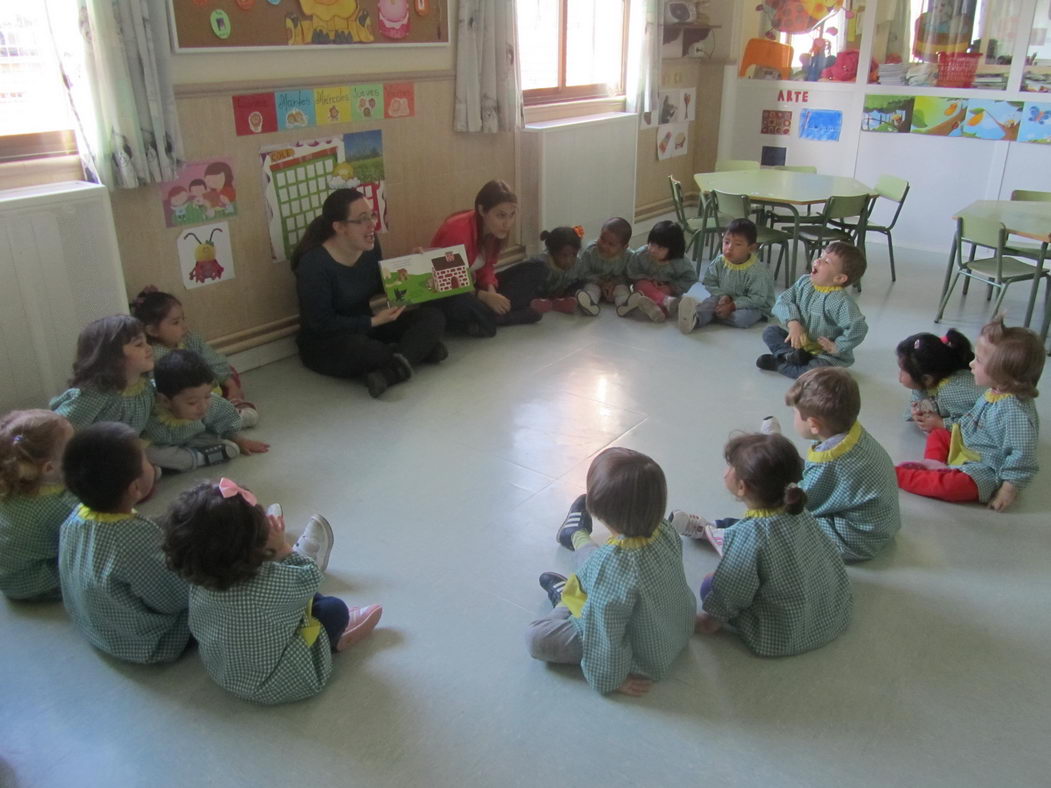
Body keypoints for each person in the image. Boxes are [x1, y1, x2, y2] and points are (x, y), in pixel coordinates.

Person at [162, 479, 382, 704]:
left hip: (224, 671)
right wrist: (282, 549)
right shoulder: (269, 582)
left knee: (291, 596)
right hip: (281, 678)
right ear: (252, 549)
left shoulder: (200, 575)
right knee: (334, 609)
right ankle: (335, 641)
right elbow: (311, 578)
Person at [526, 448, 696, 696]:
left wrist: (612, 678)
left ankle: (566, 595)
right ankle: (574, 534)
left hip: (640, 651)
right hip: (674, 630)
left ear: (600, 512)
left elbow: (605, 634)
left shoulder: (609, 567)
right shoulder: (666, 531)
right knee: (595, 564)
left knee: (536, 637)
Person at [692, 433, 853, 656]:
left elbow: (734, 590)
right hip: (831, 612)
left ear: (742, 487)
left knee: (709, 585)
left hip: (785, 632)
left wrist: (711, 619)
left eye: (730, 467)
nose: (726, 471)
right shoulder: (799, 510)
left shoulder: (748, 536)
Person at [292, 188, 447, 399]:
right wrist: (373, 322)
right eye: (362, 219)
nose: (371, 225)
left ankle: (392, 370)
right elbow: (320, 324)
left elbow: (378, 284)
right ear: (339, 227)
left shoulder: (370, 246)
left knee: (433, 317)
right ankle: (412, 354)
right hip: (327, 342)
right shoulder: (314, 265)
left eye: (372, 216)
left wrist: (411, 268)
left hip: (368, 325)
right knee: (367, 350)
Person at [59, 422, 191, 663]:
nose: (152, 465)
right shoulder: (131, 540)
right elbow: (174, 599)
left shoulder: (75, 515)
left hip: (94, 625)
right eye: (147, 461)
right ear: (135, 488)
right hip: (147, 641)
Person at [896, 317, 1043, 512]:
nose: (971, 364)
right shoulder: (994, 391)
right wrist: (945, 424)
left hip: (986, 468)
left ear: (1003, 373)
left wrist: (1008, 490)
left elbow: (1023, 458)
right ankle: (936, 465)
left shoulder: (1015, 413)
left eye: (979, 361)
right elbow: (969, 421)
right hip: (970, 442)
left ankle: (895, 475)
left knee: (950, 486)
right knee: (939, 435)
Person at [784, 368, 901, 561]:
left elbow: (801, 503)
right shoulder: (850, 431)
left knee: (787, 524)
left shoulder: (831, 461)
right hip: (881, 524)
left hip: (856, 540)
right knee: (792, 463)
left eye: (794, 413)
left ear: (813, 424)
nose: (793, 417)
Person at [430, 179, 547, 334]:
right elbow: (446, 281)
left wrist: (491, 291)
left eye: (511, 215)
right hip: (450, 293)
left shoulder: (493, 231)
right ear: (482, 210)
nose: (507, 223)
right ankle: (500, 317)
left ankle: (493, 315)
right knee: (482, 320)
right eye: (501, 216)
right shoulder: (457, 231)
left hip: (475, 287)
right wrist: (484, 296)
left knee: (538, 268)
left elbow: (487, 268)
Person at [131, 287, 258, 426]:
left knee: (229, 371)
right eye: (176, 322)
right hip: (188, 400)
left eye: (183, 319)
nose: (184, 326)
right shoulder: (154, 355)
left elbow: (213, 360)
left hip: (207, 388)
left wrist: (232, 387)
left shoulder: (190, 339)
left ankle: (230, 405)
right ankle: (224, 418)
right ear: (152, 330)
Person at [144, 350, 270, 472]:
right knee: (149, 453)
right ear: (166, 401)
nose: (203, 406)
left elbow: (223, 419)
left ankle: (240, 412)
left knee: (235, 419)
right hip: (173, 444)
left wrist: (239, 440)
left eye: (207, 396)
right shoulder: (151, 415)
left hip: (200, 433)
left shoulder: (211, 405)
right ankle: (200, 458)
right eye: (192, 402)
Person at [757, 242, 868, 378]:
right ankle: (789, 355)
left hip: (824, 354)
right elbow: (783, 301)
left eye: (826, 261)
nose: (818, 261)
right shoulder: (804, 282)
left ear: (839, 278)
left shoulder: (841, 302)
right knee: (770, 332)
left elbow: (858, 327)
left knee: (815, 372)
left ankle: (780, 364)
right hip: (799, 345)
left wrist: (837, 346)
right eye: (821, 256)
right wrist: (793, 323)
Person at [0, 410, 76, 601]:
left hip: (8, 576)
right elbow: (81, 535)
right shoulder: (57, 505)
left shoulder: (9, 485)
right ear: (49, 468)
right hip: (33, 583)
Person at [50, 315, 156, 433]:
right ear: (113, 356)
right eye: (139, 344)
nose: (149, 348)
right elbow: (58, 428)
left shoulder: (146, 387)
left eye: (146, 342)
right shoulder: (96, 394)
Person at [677, 219, 775, 334]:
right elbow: (709, 282)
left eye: (737, 244)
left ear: (751, 248)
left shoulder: (756, 271)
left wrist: (733, 306)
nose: (729, 248)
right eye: (726, 242)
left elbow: (757, 298)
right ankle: (694, 320)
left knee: (742, 318)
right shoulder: (720, 261)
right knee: (710, 302)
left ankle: (714, 314)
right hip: (724, 298)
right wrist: (723, 296)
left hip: (754, 305)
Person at [896, 329, 983, 432]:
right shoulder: (931, 376)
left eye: (902, 370)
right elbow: (918, 393)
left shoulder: (953, 391)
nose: (899, 375)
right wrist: (917, 408)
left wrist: (942, 424)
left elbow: (981, 423)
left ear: (927, 379)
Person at [619, 220, 697, 322]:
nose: (653, 250)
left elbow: (690, 278)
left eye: (660, 247)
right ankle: (663, 306)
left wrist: (670, 287)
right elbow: (631, 271)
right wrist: (649, 280)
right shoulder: (641, 255)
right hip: (646, 289)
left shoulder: (680, 262)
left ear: (673, 249)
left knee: (668, 298)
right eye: (652, 244)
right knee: (641, 285)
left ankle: (661, 308)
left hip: (668, 291)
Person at [573, 217, 633, 316]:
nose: (604, 245)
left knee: (622, 290)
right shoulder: (590, 251)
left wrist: (614, 283)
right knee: (591, 288)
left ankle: (624, 305)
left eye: (611, 244)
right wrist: (600, 282)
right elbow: (583, 272)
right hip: (595, 283)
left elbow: (630, 276)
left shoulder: (629, 256)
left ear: (624, 247)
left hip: (616, 285)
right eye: (602, 239)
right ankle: (589, 304)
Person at [525, 226, 583, 314]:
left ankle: (560, 302)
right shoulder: (542, 264)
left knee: (580, 285)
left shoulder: (577, 264)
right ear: (552, 253)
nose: (569, 261)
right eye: (564, 255)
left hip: (560, 293)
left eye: (574, 255)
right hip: (540, 293)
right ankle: (540, 303)